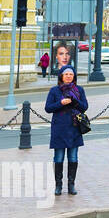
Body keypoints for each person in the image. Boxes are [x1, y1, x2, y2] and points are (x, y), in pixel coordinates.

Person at [45, 65, 88, 195]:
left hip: (74, 129)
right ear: (61, 76)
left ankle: (71, 185)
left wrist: (74, 101)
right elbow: (48, 108)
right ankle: (58, 185)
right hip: (59, 128)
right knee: (58, 157)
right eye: (66, 74)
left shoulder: (79, 90)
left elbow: (84, 107)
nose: (68, 76)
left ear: (74, 76)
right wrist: (60, 103)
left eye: (71, 74)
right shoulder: (54, 91)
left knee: (73, 157)